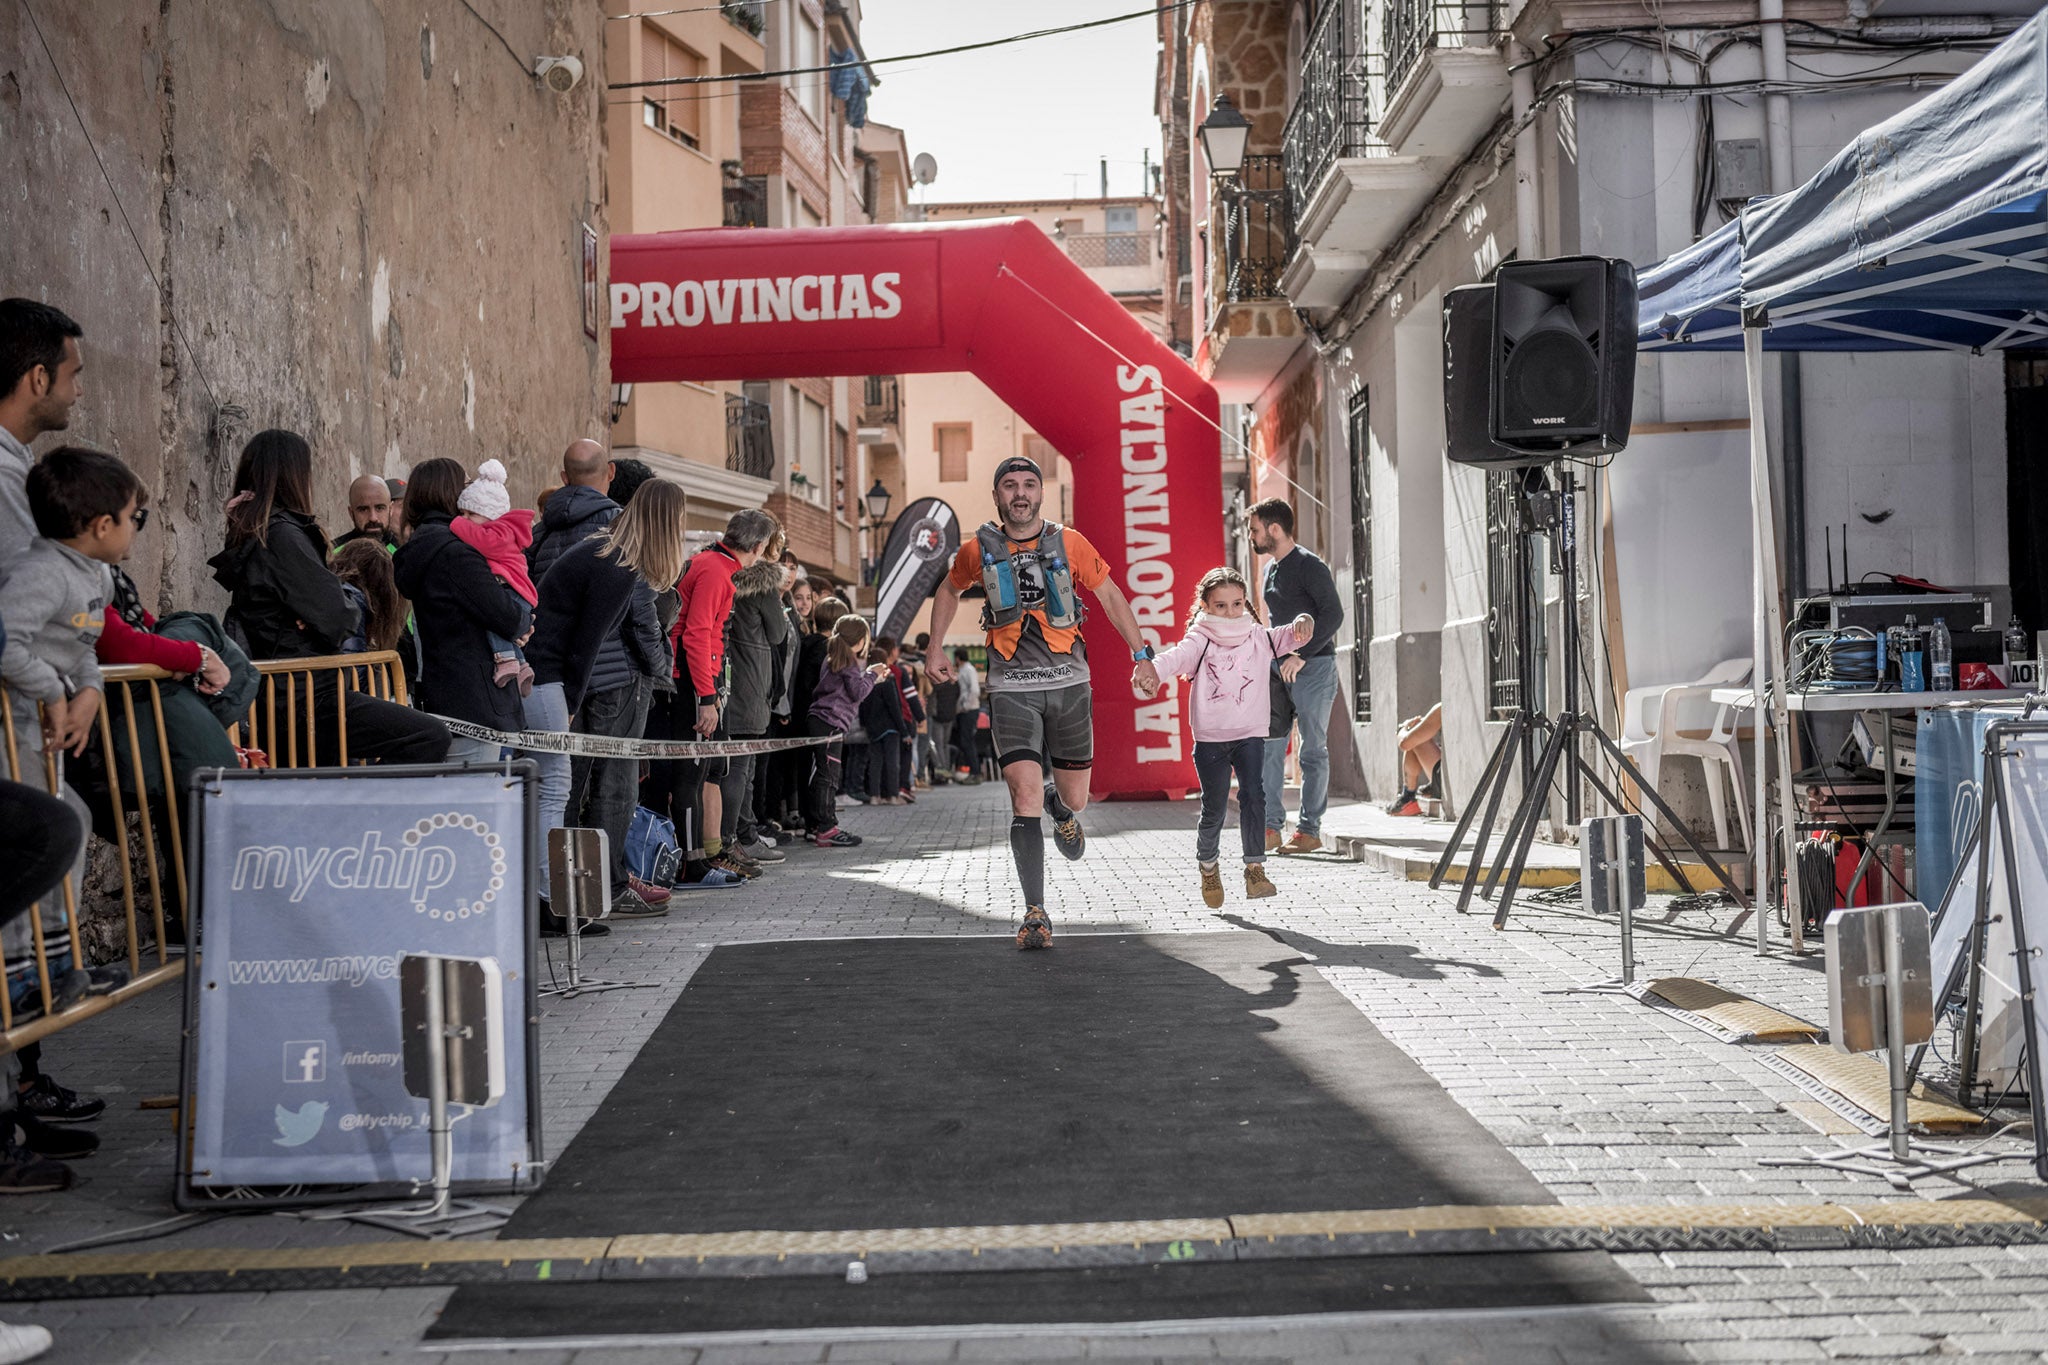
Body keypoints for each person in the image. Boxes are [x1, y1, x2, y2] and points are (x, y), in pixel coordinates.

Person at [927, 455, 1159, 950]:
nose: (1019, 493)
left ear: (1040, 493)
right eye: (1009, 485)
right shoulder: (979, 548)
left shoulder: (1070, 542)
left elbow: (1112, 597)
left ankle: (1062, 805)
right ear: (997, 496)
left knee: (1075, 798)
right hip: (1011, 686)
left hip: (1070, 684)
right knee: (1022, 796)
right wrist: (934, 645)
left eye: (1028, 484)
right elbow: (948, 589)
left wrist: (1141, 656)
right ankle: (1035, 912)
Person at [208, 430, 449, 765]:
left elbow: (326, 611)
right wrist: (330, 609)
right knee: (429, 736)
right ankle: (383, 814)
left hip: (291, 694)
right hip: (304, 698)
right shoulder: (281, 536)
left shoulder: (260, 531)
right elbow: (339, 617)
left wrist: (318, 612)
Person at [526, 479, 692, 924]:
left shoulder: (609, 552)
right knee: (574, 789)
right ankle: (566, 898)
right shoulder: (615, 561)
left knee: (568, 786)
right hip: (554, 678)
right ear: (667, 523)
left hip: (554, 676)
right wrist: (573, 702)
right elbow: (587, 642)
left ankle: (566, 896)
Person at [1139, 567, 1313, 909]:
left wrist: (1304, 620)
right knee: (1214, 808)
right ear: (1205, 605)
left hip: (1250, 732)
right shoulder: (1199, 638)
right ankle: (1208, 865)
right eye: (1221, 606)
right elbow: (1175, 659)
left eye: (1237, 604)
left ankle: (1254, 869)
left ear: (1246, 603)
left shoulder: (1258, 636)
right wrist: (1152, 671)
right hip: (1211, 738)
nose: (1230, 612)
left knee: (1254, 797)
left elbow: (1291, 635)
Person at [665, 508, 781, 882]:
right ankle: (691, 865)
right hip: (690, 681)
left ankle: (705, 856)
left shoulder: (716, 565)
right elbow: (697, 635)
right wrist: (706, 697)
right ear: (760, 546)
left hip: (699, 678)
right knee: (690, 776)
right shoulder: (715, 569)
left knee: (705, 773)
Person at [1248, 497, 1344, 856]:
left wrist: (1300, 655)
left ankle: (1309, 830)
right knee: (1270, 748)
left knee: (1312, 750)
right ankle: (1272, 827)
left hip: (1313, 668)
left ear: (1274, 529)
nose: (1252, 536)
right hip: (1276, 671)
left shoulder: (1309, 565)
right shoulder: (1270, 569)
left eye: (1255, 529)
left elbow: (1333, 615)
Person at [0, 298, 84, 569]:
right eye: (72, 376)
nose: (78, 391)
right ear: (39, 379)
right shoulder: (4, 477)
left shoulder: (16, 454)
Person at [724, 537, 791, 865]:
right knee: (743, 768)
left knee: (732, 767)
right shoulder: (763, 586)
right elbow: (778, 633)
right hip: (751, 684)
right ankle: (742, 837)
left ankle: (735, 836)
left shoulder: (726, 575)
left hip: (728, 681)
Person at [447, 460, 537, 695]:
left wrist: (454, 523)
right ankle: (523, 667)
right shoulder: (502, 529)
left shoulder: (500, 533)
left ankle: (505, 660)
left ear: (491, 514)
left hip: (512, 591)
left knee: (493, 621)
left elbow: (483, 542)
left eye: (471, 514)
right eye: (461, 513)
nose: (465, 518)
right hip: (515, 590)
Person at [804, 613, 886, 847]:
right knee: (829, 777)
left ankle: (815, 824)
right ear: (860, 640)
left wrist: (869, 679)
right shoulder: (848, 661)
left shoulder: (833, 658)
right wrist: (872, 674)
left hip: (821, 719)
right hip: (831, 722)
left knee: (821, 774)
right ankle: (827, 828)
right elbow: (857, 692)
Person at [859, 640, 907, 805]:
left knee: (875, 763)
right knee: (892, 761)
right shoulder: (888, 683)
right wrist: (904, 731)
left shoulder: (866, 683)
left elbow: (862, 707)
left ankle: (874, 796)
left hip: (873, 729)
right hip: (890, 728)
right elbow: (895, 708)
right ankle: (893, 795)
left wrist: (864, 724)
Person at [1386, 702, 1444, 817]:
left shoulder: (1443, 707)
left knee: (1414, 735)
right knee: (1417, 733)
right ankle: (1411, 796)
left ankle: (1408, 797)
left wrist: (1403, 729)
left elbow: (1405, 743)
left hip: (1446, 779)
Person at [333, 474, 398, 551]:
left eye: (379, 508)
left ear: (391, 509)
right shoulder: (332, 555)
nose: (373, 518)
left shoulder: (406, 554)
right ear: (351, 513)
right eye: (363, 510)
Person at [950, 647, 981, 782]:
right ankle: (972, 771)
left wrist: (965, 706)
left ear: (957, 658)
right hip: (965, 710)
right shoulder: (964, 670)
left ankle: (975, 772)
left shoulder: (968, 669)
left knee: (967, 741)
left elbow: (974, 690)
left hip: (969, 710)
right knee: (965, 741)